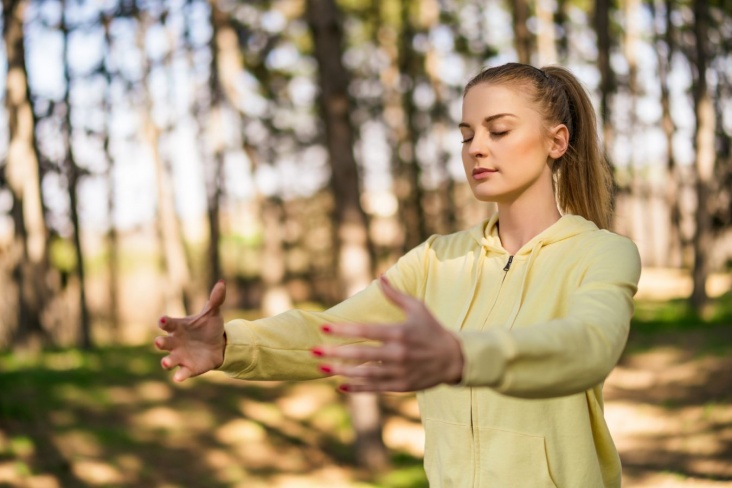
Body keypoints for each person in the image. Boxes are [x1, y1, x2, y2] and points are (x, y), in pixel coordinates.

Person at [154, 62, 641, 487]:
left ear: (557, 141)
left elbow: (588, 346)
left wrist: (462, 357)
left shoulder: (602, 254)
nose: (476, 148)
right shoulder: (436, 259)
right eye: (467, 134)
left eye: (499, 130)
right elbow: (337, 332)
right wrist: (229, 346)